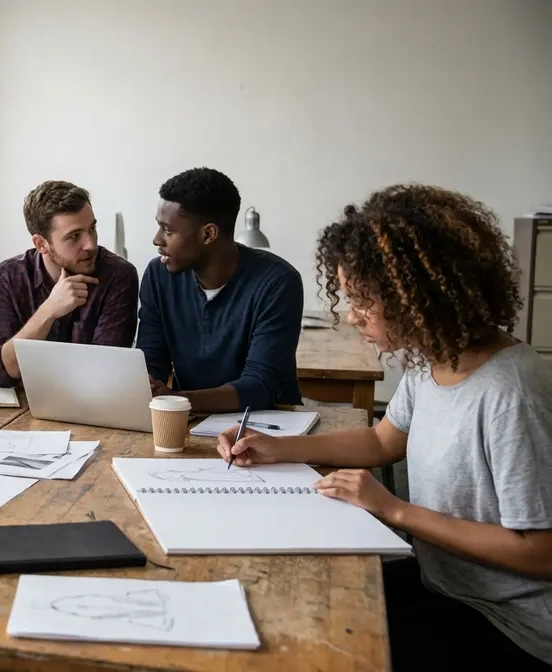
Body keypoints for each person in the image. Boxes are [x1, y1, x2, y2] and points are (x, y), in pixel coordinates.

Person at [218, 185, 552, 670]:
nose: (351, 316)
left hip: (510, 626)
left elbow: (540, 552)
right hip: (445, 586)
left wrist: (395, 510)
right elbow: (381, 440)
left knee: (315, 651)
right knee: (288, 610)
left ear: (417, 294)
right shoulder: (433, 359)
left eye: (362, 301)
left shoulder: (511, 392)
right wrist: (278, 448)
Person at [136, 167, 303, 413]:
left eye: (168, 230)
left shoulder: (278, 282)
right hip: (187, 420)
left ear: (209, 234)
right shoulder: (158, 275)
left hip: (265, 427)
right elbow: (150, 361)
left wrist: (177, 400)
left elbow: (261, 385)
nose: (157, 239)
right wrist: (149, 386)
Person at [0, 180, 139, 387]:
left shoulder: (118, 275)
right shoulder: (8, 276)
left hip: (90, 410)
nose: (90, 244)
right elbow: (0, 373)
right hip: (23, 410)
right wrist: (48, 311)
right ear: (41, 244)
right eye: (74, 236)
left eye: (92, 228)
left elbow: (104, 374)